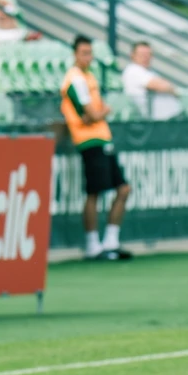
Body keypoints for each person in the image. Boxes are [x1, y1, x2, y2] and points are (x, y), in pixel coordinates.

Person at [62, 34, 132, 261]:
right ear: (75, 54)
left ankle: (111, 242)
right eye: (84, 53)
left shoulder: (88, 76)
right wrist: (103, 112)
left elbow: (93, 114)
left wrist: (97, 114)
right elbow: (92, 114)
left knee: (123, 189)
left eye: (90, 53)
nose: (88, 57)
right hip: (88, 141)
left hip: (102, 138)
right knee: (94, 192)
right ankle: (93, 245)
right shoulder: (75, 79)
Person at [121, 40, 178, 120]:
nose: (146, 57)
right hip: (150, 121)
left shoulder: (149, 71)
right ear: (132, 55)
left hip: (167, 118)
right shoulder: (133, 70)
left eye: (149, 54)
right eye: (142, 54)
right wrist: (171, 89)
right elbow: (162, 86)